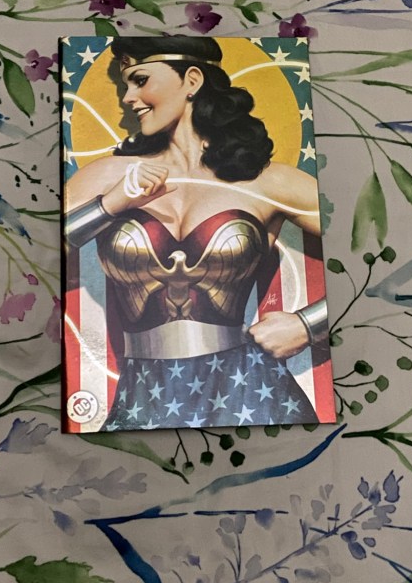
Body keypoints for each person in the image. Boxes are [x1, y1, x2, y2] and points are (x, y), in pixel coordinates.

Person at [64, 35, 328, 431]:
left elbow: (373, 254)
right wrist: (110, 205)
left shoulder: (265, 181)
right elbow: (36, 253)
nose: (128, 98)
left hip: (254, 396)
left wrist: (308, 325)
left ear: (191, 80)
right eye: (124, 85)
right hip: (144, 399)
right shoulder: (105, 177)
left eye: (140, 80)